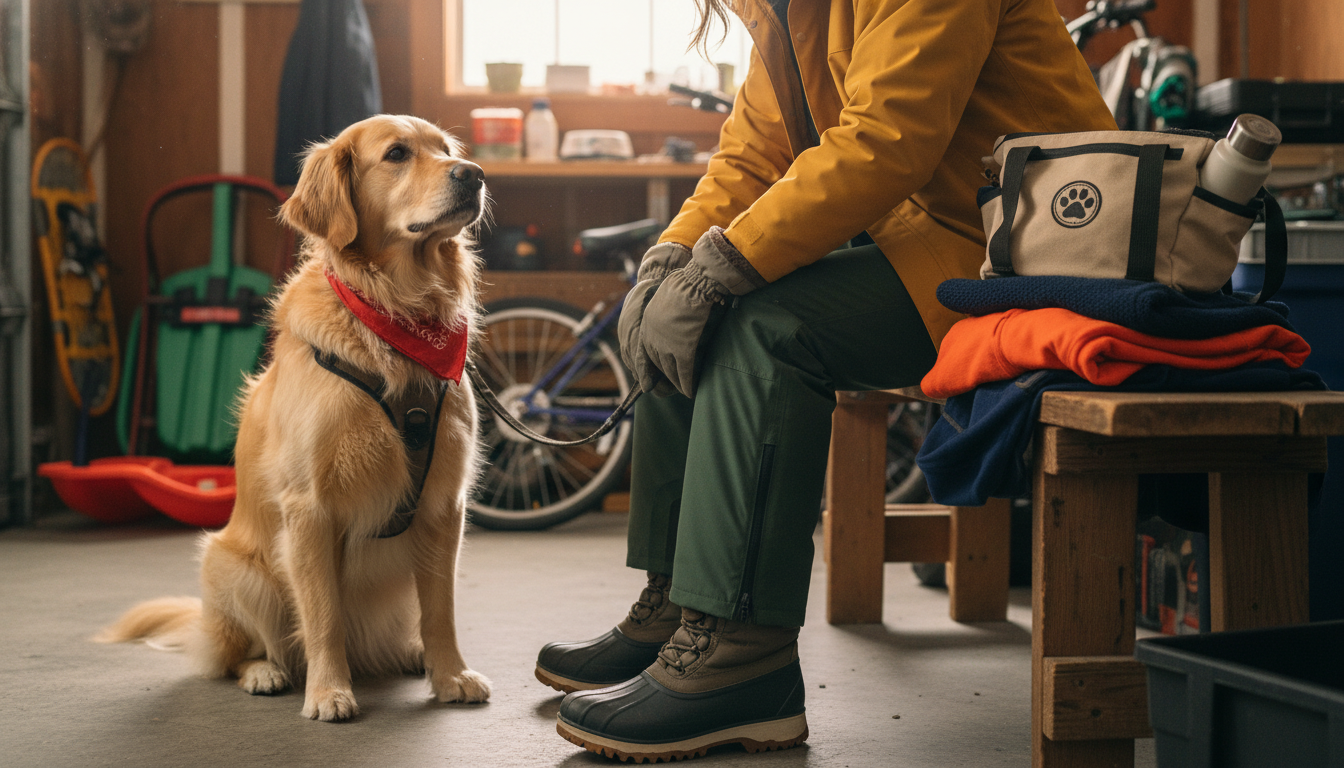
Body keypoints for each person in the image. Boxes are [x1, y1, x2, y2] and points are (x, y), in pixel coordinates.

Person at [539, 0, 1117, 760]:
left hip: (1026, 250)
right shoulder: (790, 8)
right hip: (929, 234)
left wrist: (720, 271)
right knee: (681, 317)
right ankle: (681, 609)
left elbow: (885, 142)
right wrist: (673, 258)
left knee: (763, 326)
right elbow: (753, 154)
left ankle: (743, 659)